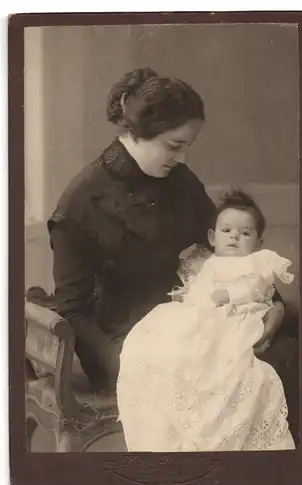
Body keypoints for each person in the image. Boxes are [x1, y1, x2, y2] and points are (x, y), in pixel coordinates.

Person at [48, 67, 285, 394]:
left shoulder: (180, 180)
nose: (182, 157)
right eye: (174, 146)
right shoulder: (81, 203)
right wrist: (122, 361)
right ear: (139, 131)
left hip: (199, 321)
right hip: (124, 342)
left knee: (289, 353)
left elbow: (227, 250)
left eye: (187, 146)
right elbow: (72, 312)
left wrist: (275, 304)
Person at [117, 190, 296, 451]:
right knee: (156, 340)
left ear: (259, 243)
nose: (234, 236)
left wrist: (230, 294)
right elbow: (199, 289)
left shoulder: (255, 264)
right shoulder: (209, 263)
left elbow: (256, 289)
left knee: (222, 360)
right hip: (203, 313)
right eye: (227, 230)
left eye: (245, 233)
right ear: (212, 238)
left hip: (235, 316)